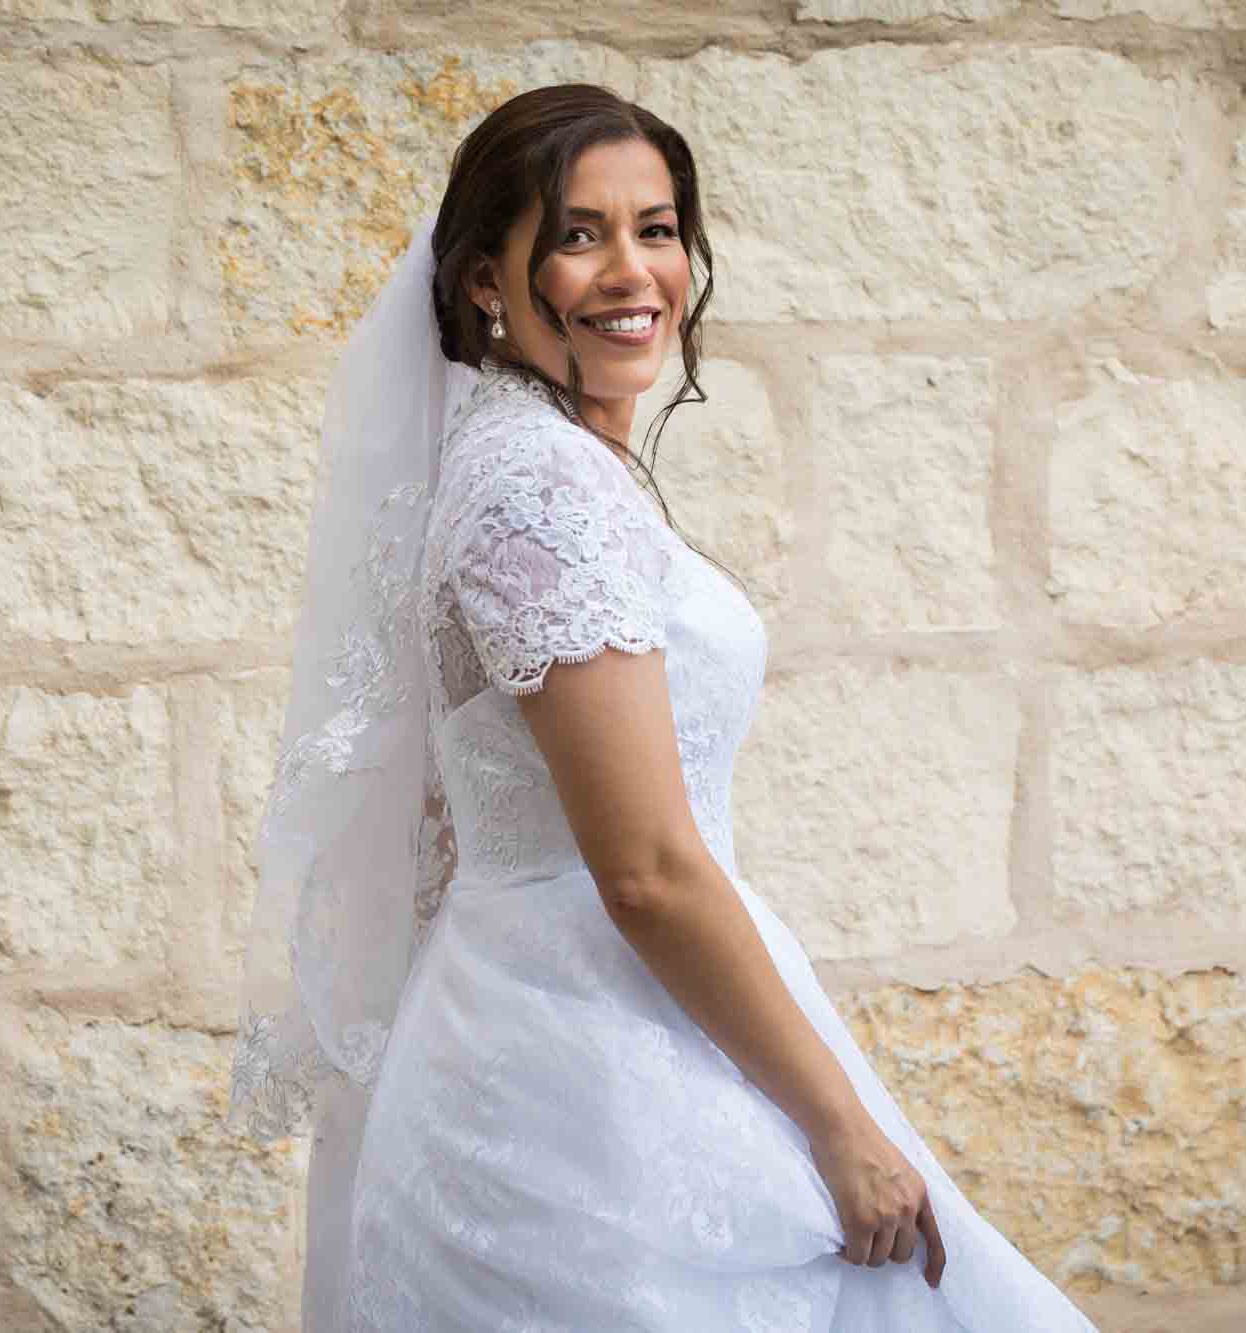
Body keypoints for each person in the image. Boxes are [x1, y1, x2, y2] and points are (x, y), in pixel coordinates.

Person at [229, 83, 1100, 1332]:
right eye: (578, 234)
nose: (632, 270)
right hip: (586, 1094)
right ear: (486, 279)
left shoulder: (543, 462)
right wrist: (839, 1132)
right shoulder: (538, 490)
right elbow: (639, 866)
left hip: (604, 1022)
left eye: (658, 227)